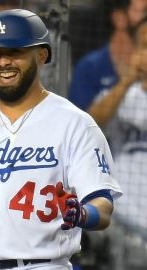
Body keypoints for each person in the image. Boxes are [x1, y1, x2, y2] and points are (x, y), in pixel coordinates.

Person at [0, 9, 122, 270]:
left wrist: (85, 213)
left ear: (41, 55)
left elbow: (103, 204)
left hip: (42, 265)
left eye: (14, 52)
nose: (3, 62)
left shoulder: (75, 124)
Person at [94, 17, 147, 270]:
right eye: (145, 46)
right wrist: (127, 81)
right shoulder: (118, 95)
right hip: (123, 221)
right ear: (136, 51)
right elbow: (90, 124)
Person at [69, 0, 147, 115]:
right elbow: (79, 123)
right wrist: (128, 80)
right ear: (119, 19)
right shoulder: (90, 67)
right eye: (144, 11)